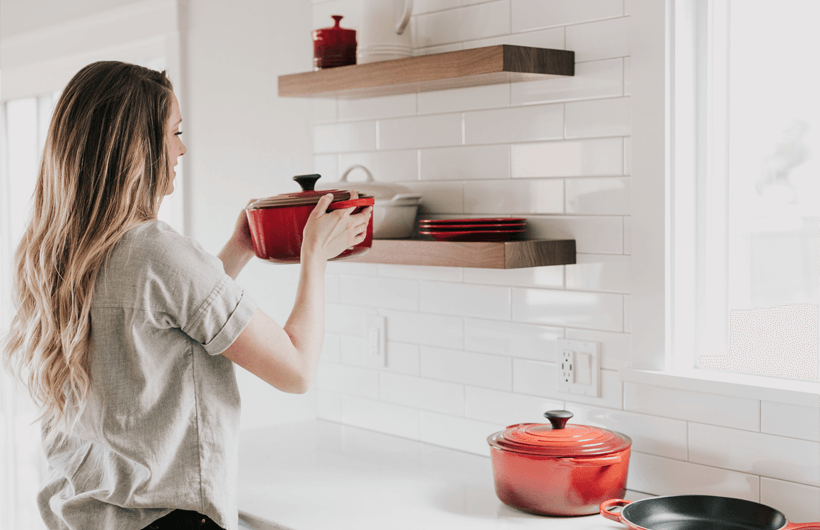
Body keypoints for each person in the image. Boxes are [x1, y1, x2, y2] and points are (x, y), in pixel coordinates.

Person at [1, 61, 371, 530]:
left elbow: (163, 320)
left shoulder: (52, 255)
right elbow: (296, 369)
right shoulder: (157, 251)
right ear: (136, 148)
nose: (182, 148)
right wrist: (315, 254)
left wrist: (238, 248)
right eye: (174, 132)